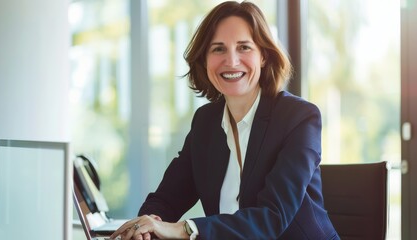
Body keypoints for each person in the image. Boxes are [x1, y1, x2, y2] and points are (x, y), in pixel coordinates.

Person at [111, 1, 338, 239]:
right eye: (218, 49)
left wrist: (184, 229)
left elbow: (272, 217)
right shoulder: (205, 122)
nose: (231, 61)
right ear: (205, 59)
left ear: (263, 56)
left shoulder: (299, 118)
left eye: (244, 47)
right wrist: (147, 226)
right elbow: (167, 197)